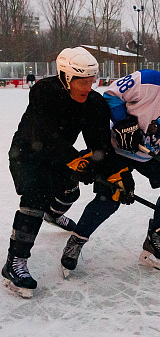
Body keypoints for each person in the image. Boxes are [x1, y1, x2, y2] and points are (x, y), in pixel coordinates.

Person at [60, 50, 160, 272]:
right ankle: (78, 239)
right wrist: (123, 123)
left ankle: (155, 238)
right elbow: (111, 95)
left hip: (148, 151)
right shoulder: (147, 80)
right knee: (111, 196)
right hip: (116, 148)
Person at [2, 47, 134, 298]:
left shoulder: (95, 103)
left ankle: (53, 214)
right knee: (35, 197)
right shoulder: (44, 93)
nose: (86, 87)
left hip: (60, 157)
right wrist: (75, 159)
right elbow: (42, 135)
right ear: (65, 78)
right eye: (81, 82)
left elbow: (100, 145)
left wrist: (119, 175)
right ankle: (15, 262)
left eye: (90, 81)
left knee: (70, 191)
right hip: (28, 154)